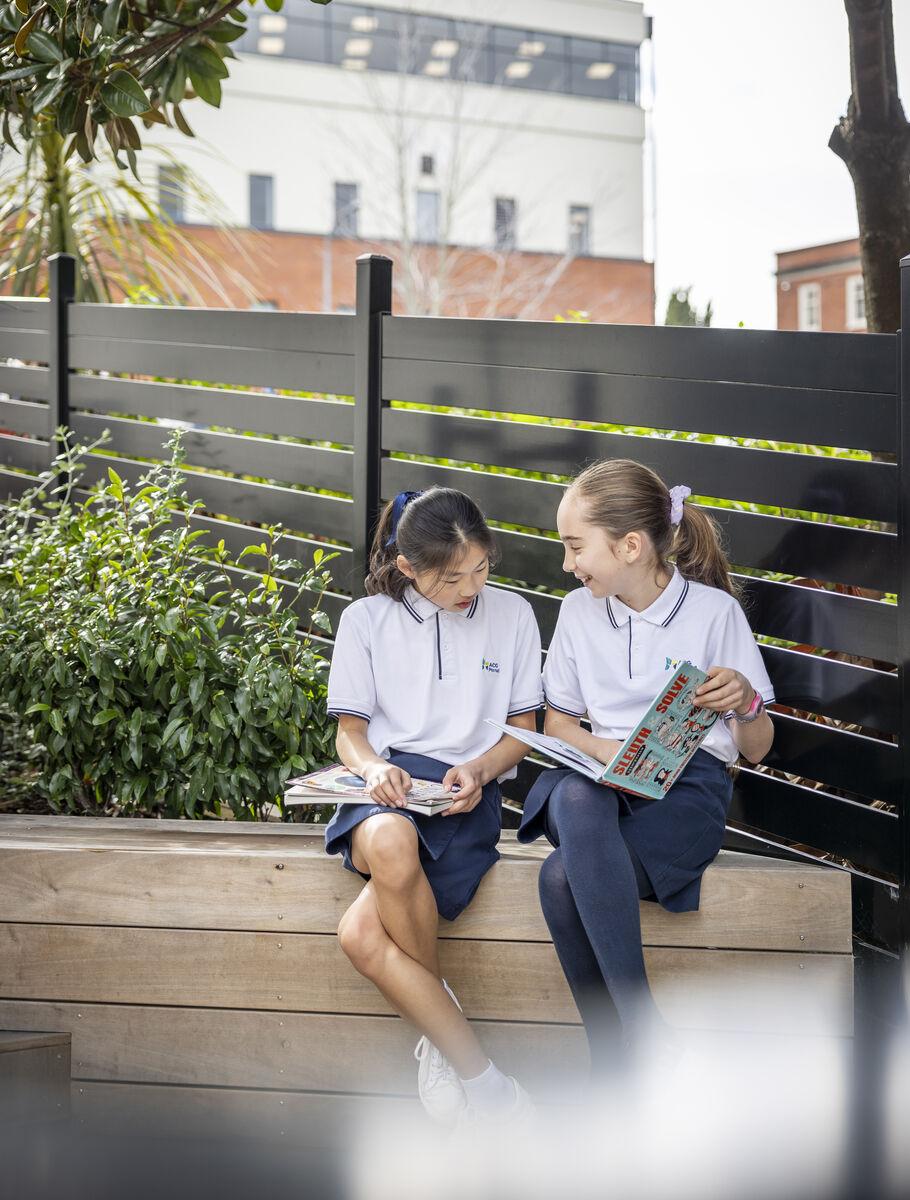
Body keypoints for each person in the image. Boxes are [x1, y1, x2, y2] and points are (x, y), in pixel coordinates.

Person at [518, 458, 774, 1074]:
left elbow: (758, 748)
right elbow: (558, 724)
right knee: (575, 796)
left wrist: (744, 701)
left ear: (630, 546)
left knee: (559, 879)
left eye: (575, 546)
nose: (567, 563)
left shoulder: (714, 613)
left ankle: (615, 1063)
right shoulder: (579, 611)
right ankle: (645, 1030)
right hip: (599, 783)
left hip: (685, 795)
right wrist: (614, 754)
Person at [325, 487, 543, 1124]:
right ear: (408, 567)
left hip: (464, 793)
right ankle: (482, 1078)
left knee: (360, 937)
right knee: (390, 840)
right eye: (453, 577)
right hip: (388, 788)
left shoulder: (515, 614)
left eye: (482, 568)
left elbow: (523, 730)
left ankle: (443, 1033)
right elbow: (350, 734)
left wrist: (479, 770)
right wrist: (374, 768)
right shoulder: (365, 620)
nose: (472, 587)